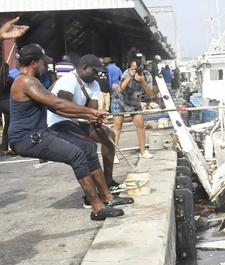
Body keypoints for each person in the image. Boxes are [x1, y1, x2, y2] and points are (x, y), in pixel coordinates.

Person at [9, 43, 132, 220]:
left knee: (88, 149)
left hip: (38, 133)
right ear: (34, 62)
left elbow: (57, 110)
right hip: (26, 138)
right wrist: (91, 112)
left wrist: (89, 115)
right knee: (77, 155)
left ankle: (107, 197)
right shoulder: (26, 81)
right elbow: (58, 103)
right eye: (43, 62)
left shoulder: (32, 81)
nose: (45, 66)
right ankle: (96, 208)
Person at [47, 54, 125, 201]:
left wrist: (96, 118)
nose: (96, 75)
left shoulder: (94, 84)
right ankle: (92, 195)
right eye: (94, 71)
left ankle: (108, 182)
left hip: (77, 121)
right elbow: (63, 107)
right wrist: (90, 114)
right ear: (84, 67)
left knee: (109, 135)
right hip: (59, 122)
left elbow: (92, 107)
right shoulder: (69, 80)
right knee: (87, 146)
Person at [111, 57, 155, 160]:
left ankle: (143, 151)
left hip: (134, 102)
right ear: (130, 68)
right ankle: (113, 154)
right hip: (119, 100)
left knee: (140, 125)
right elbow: (120, 89)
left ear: (143, 66)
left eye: (139, 68)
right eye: (134, 68)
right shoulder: (126, 73)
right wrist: (129, 77)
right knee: (117, 127)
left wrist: (143, 82)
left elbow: (151, 95)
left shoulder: (147, 75)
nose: (136, 70)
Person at [0, 62, 14, 155]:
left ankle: (3, 148)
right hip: (7, 104)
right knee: (9, 127)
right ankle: (11, 147)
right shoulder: (9, 80)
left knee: (6, 127)